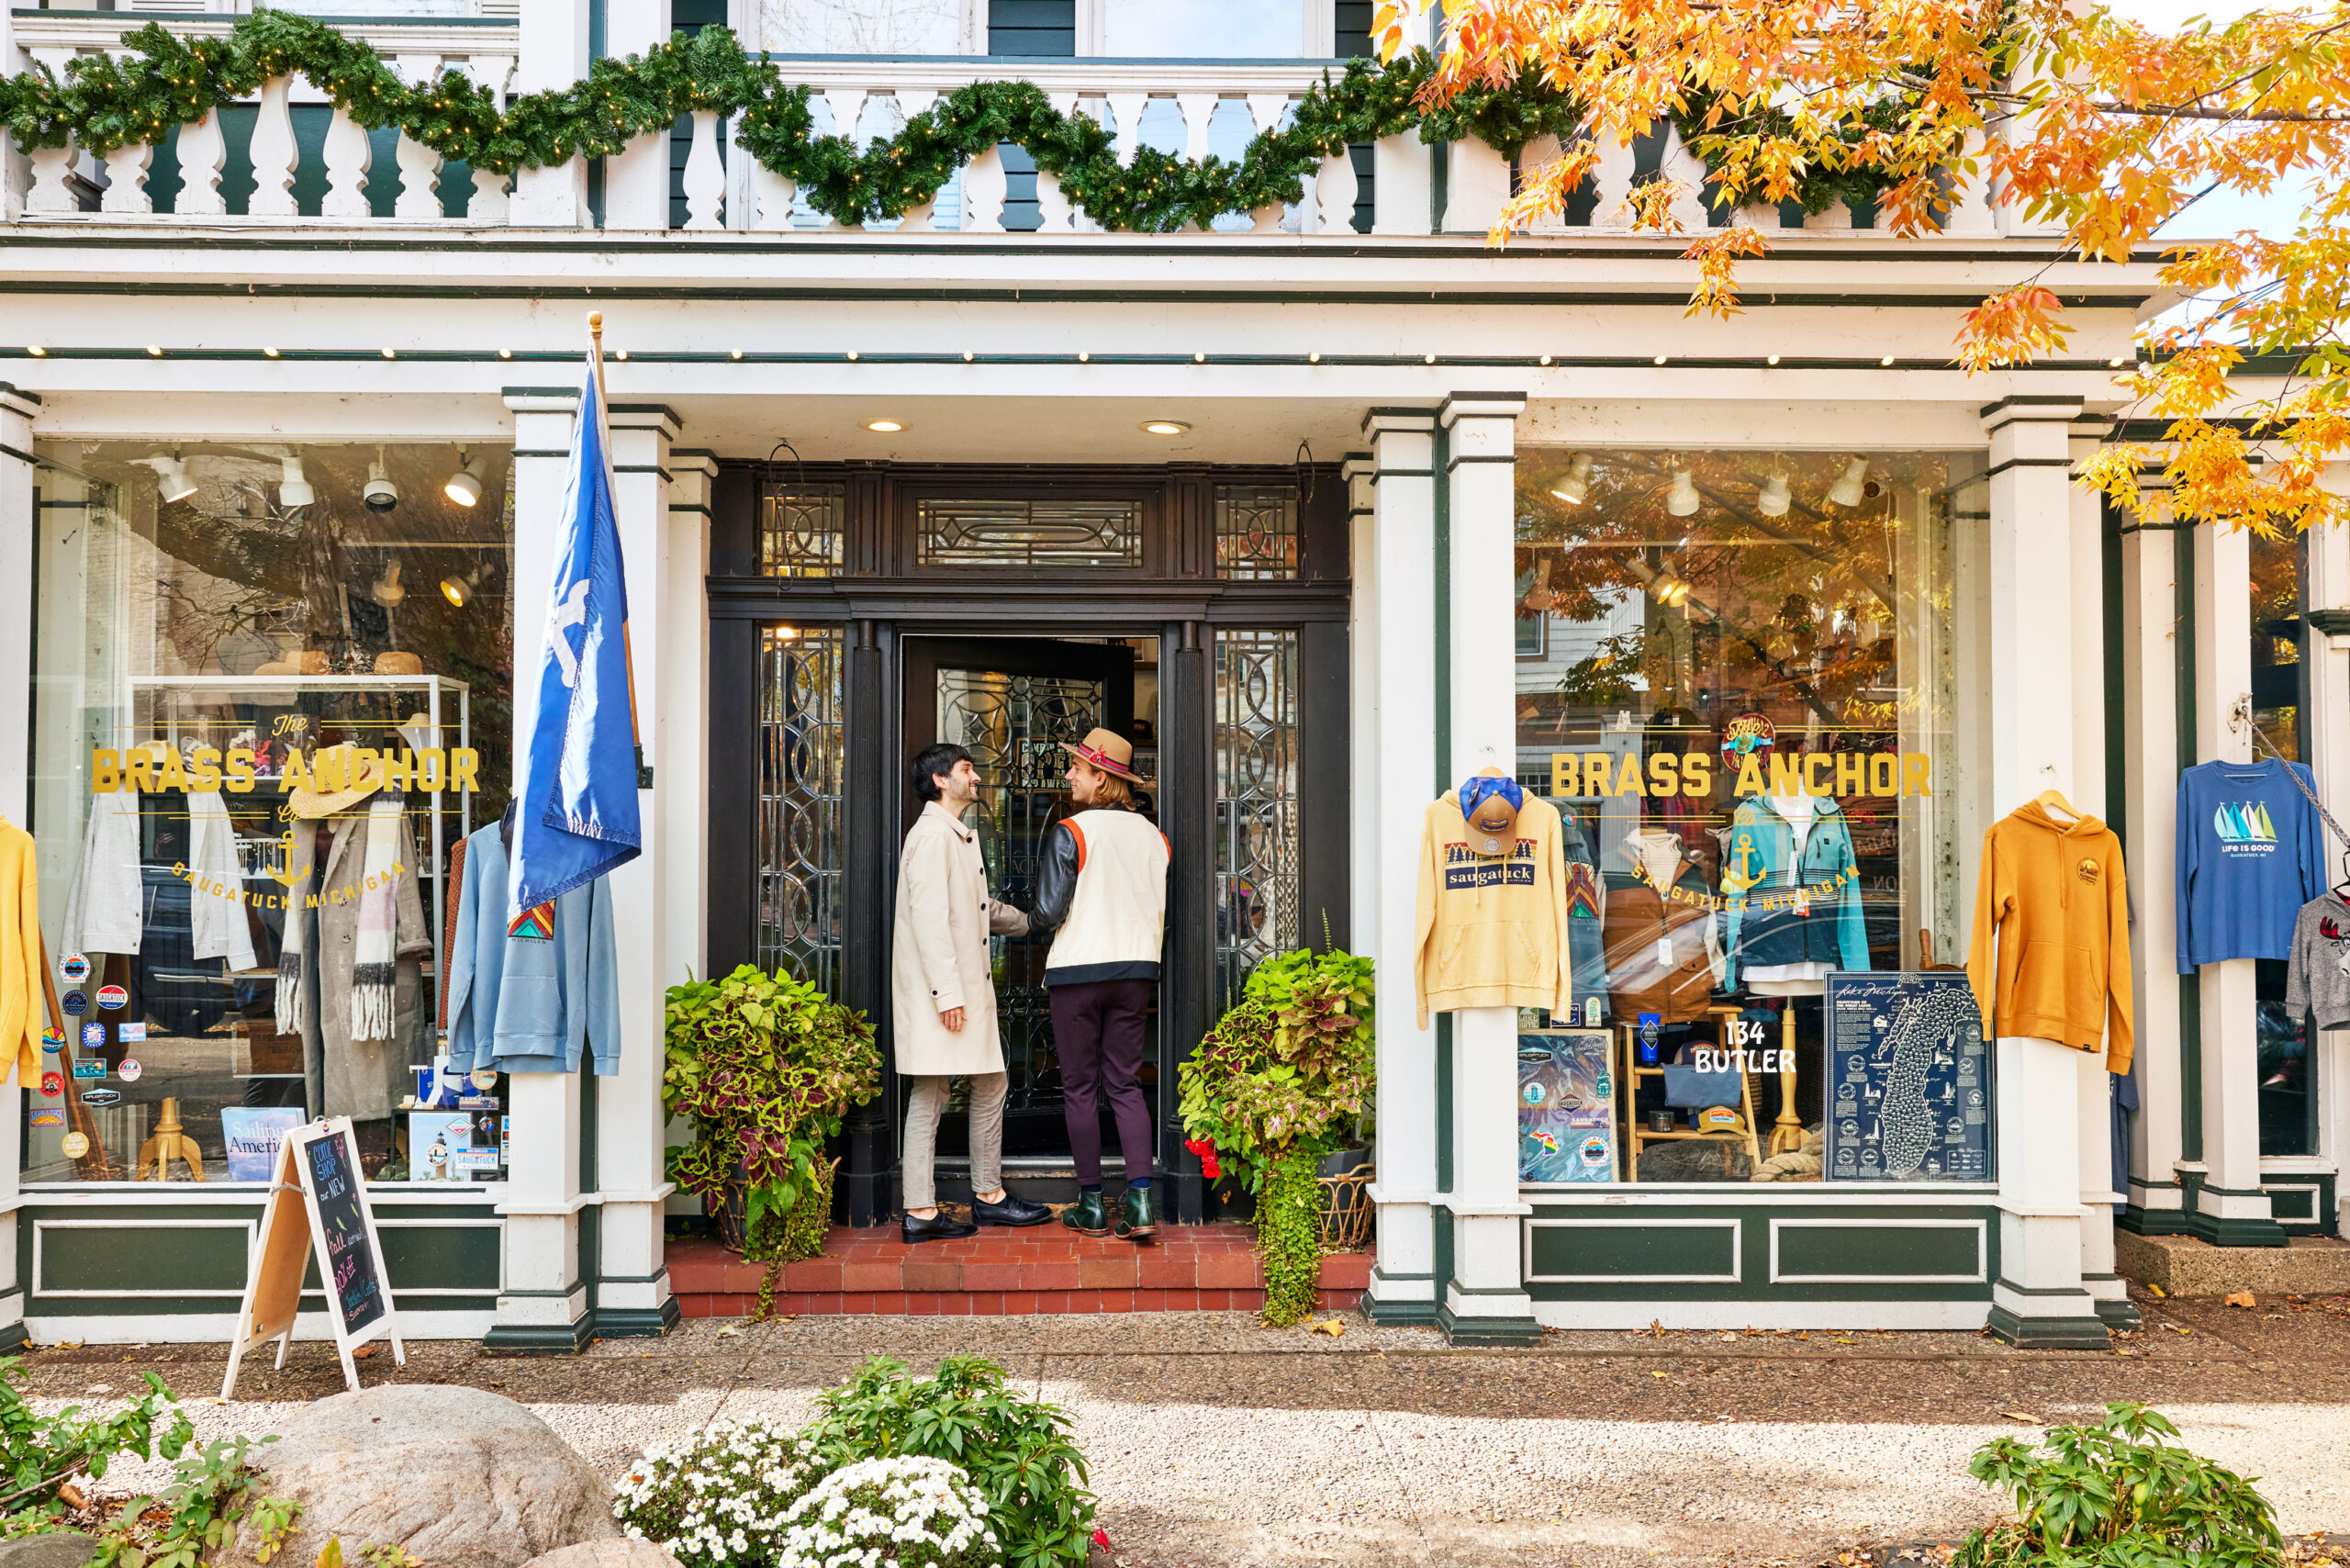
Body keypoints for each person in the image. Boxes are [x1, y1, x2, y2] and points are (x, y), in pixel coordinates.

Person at [891, 742, 1054, 1242]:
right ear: (941, 780)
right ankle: (921, 1209)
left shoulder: (954, 835)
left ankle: (989, 1197)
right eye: (967, 770)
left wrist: (1034, 922)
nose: (977, 777)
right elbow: (931, 921)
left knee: (990, 1084)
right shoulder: (933, 837)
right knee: (932, 1092)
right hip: (947, 995)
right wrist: (947, 995)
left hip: (959, 992)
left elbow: (975, 908)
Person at [1028, 727, 1170, 1241]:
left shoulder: (1073, 831)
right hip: (1135, 972)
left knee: (1081, 1087)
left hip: (1078, 972)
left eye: (1077, 769)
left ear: (1102, 778)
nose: (1068, 775)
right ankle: (1139, 1202)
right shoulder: (1156, 837)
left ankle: (1090, 1204)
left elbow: (1046, 913)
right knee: (1126, 1085)